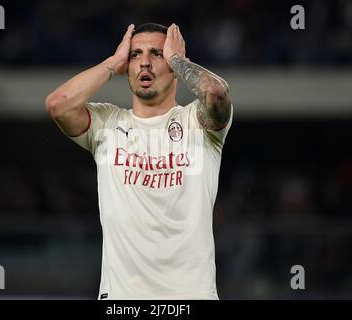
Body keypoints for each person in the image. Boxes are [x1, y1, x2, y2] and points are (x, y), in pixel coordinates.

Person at [45, 22, 233, 300]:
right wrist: (112, 62)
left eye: (157, 54)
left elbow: (215, 93)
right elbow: (58, 104)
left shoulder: (196, 123)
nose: (144, 62)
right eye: (136, 55)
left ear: (174, 65)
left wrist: (179, 61)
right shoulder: (106, 124)